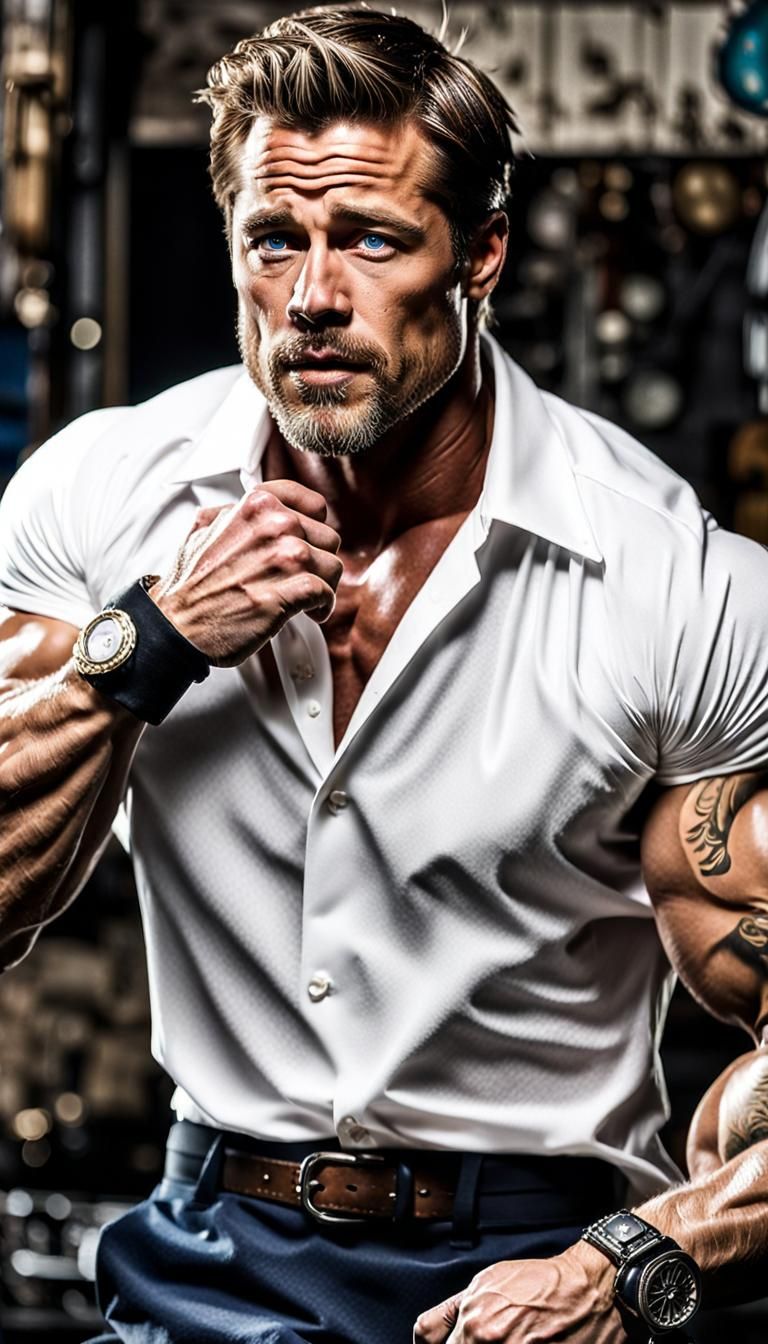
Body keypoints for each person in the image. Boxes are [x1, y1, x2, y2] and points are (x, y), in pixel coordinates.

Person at [1, 7, 768, 1342]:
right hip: (209, 1255)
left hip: (541, 1254)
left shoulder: (673, 587)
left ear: (480, 255)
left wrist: (644, 1255)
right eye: (273, 241)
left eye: (369, 240)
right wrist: (157, 636)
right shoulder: (102, 500)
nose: (311, 296)